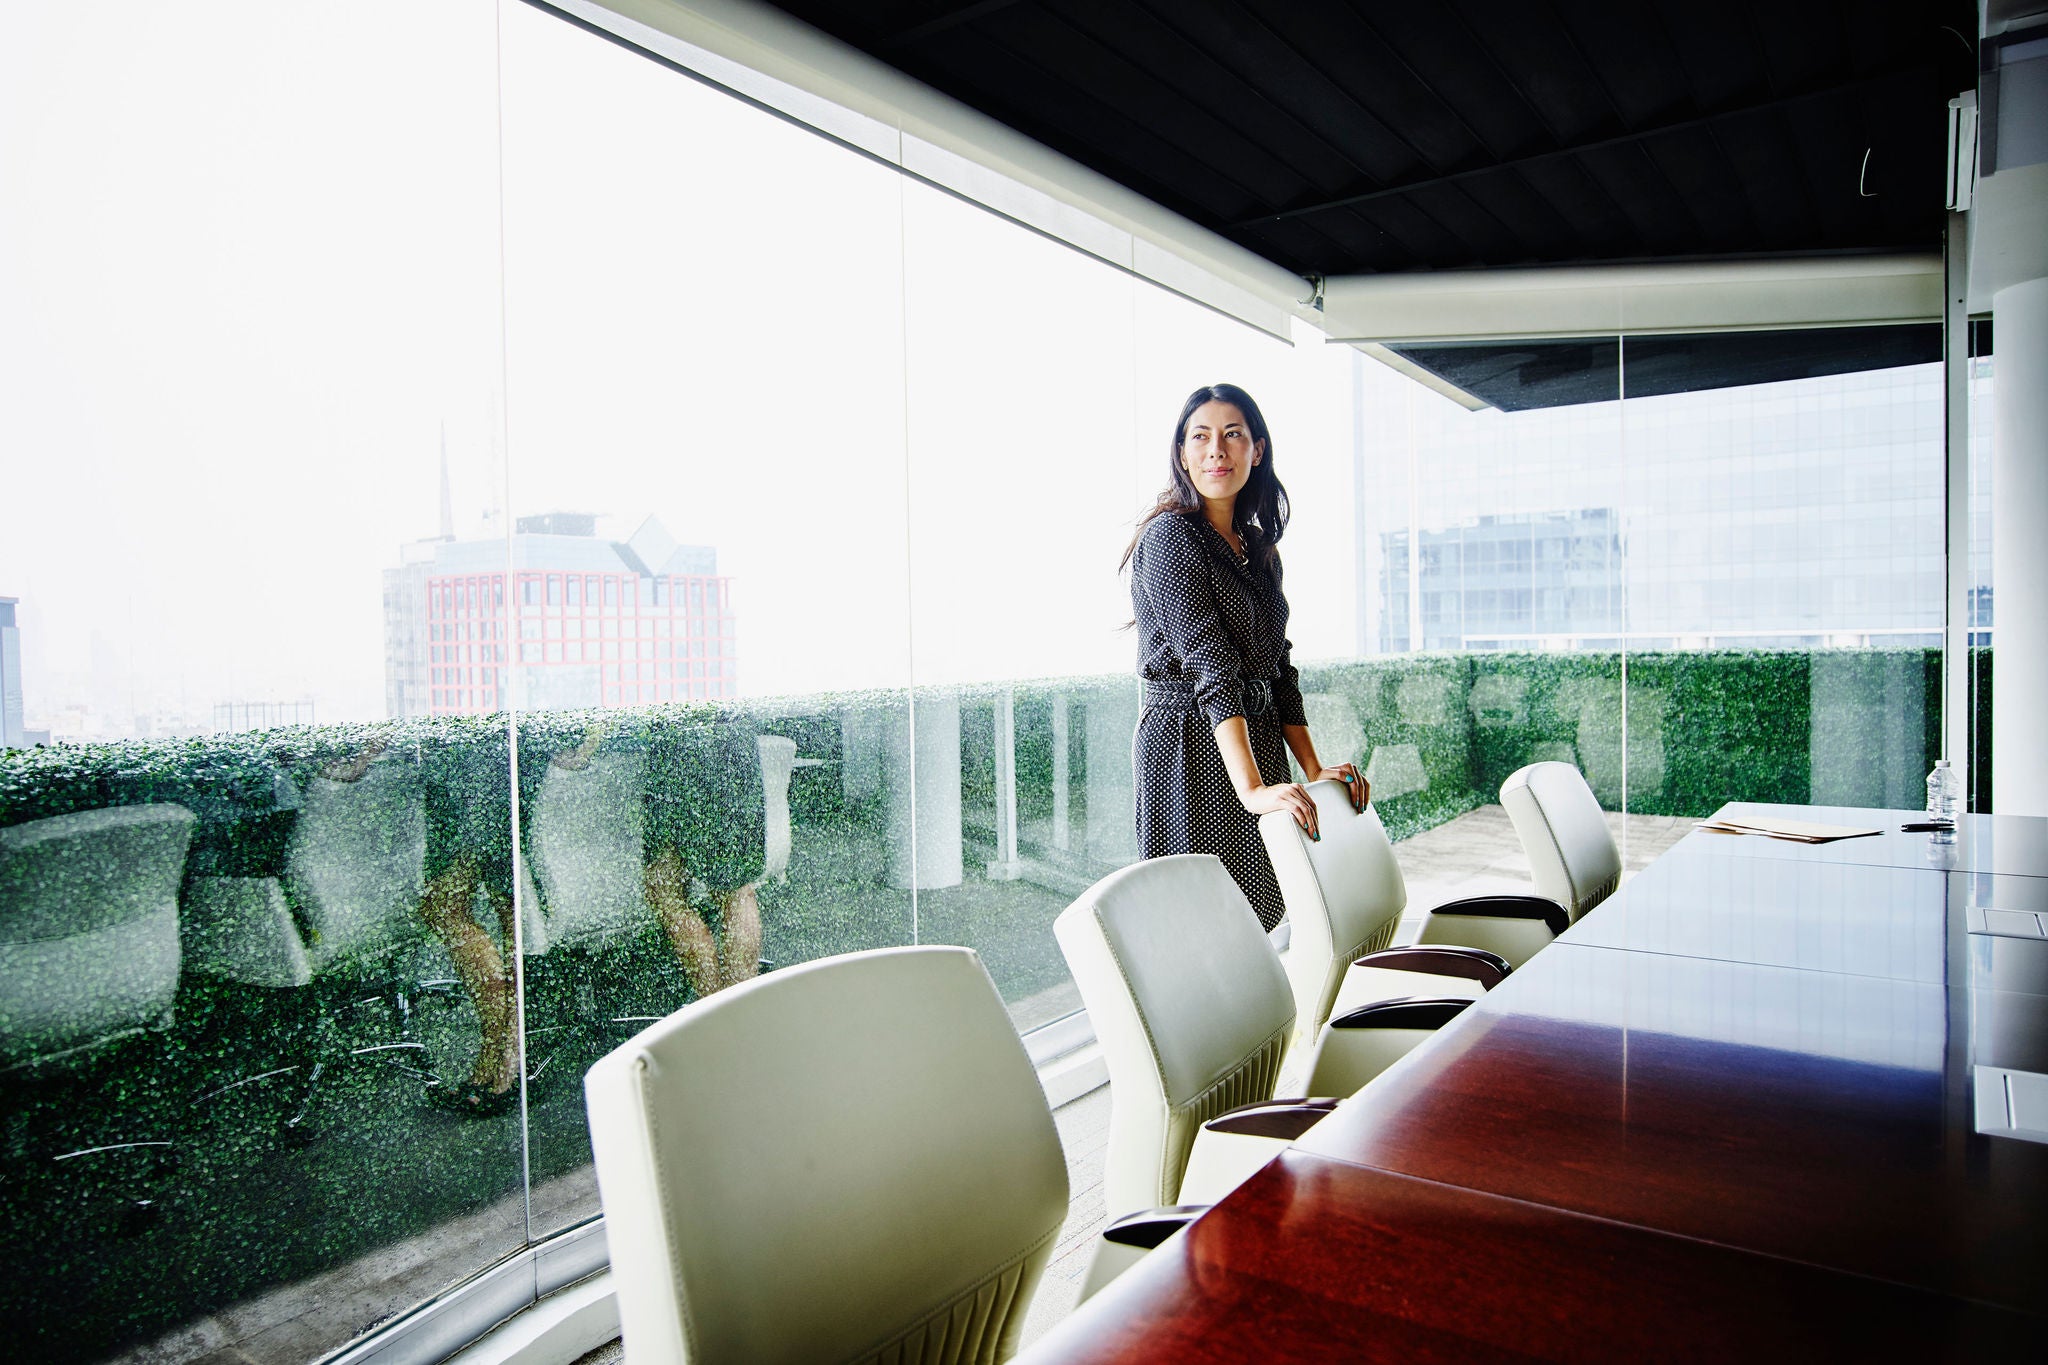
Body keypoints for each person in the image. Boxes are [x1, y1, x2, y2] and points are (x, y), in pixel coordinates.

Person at [1123, 382, 1368, 932]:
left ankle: (1258, 1019)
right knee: (1202, 920)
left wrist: (1313, 767)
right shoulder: (1170, 537)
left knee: (1259, 908)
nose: (1217, 450)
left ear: (1256, 449)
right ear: (1182, 454)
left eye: (1233, 435)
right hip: (1187, 745)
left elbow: (1278, 665)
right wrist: (1251, 789)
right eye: (1201, 437)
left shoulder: (1259, 549)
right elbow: (1210, 666)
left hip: (1253, 738)